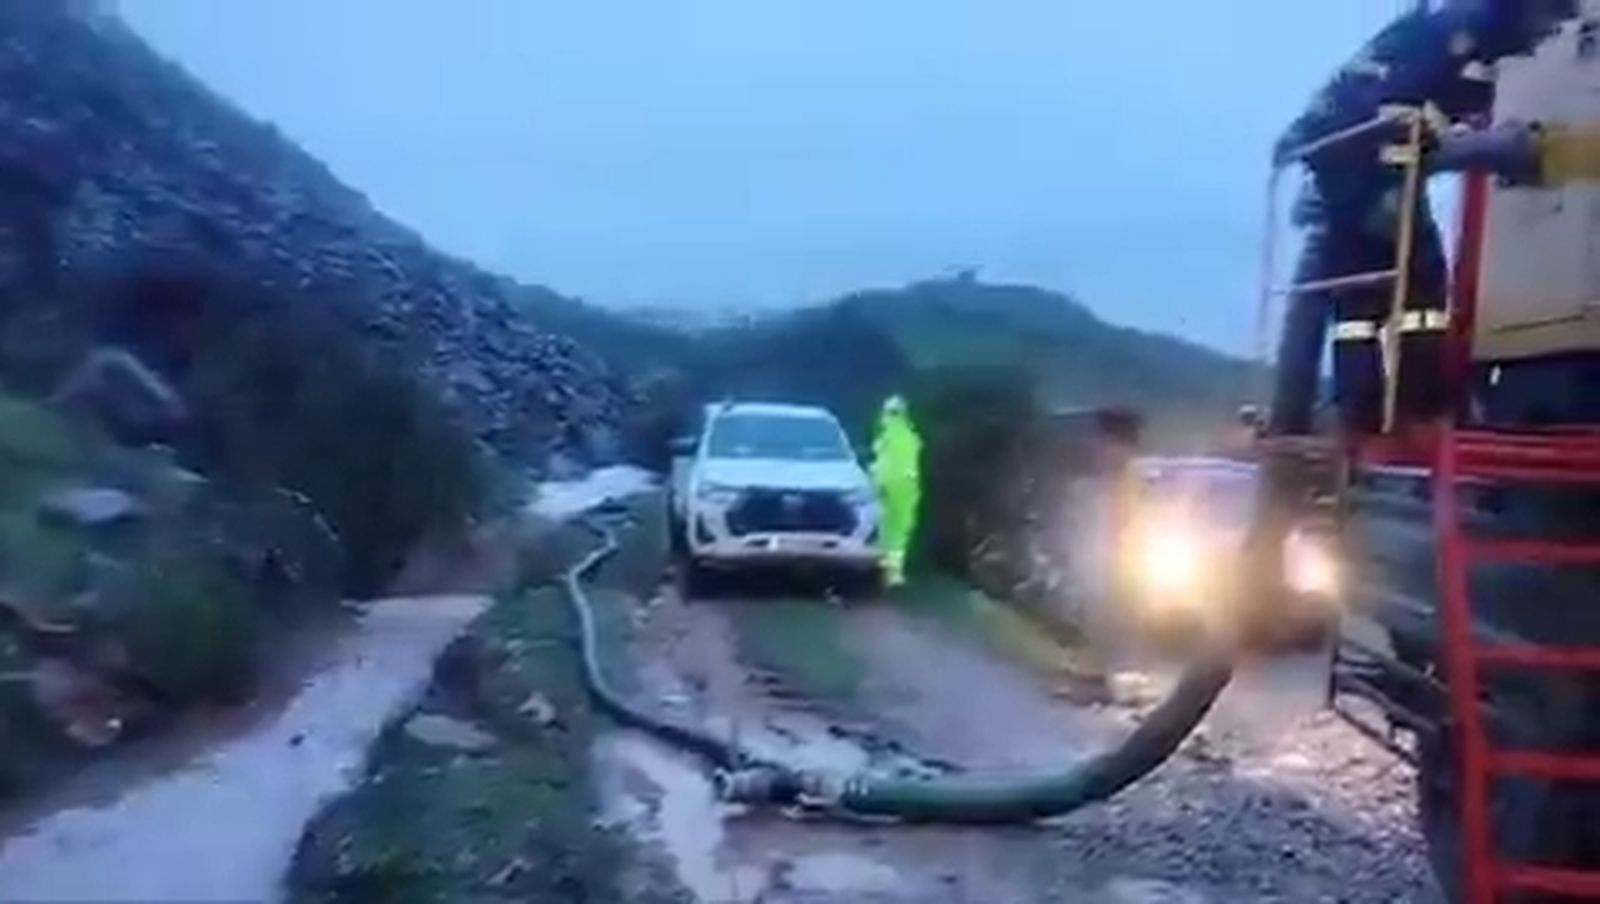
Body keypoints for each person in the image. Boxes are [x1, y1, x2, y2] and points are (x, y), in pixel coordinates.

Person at [871, 395, 922, 588]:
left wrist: (876, 485)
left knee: (887, 530)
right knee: (898, 532)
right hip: (905, 488)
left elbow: (881, 464)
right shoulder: (909, 435)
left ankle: (884, 571)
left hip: (890, 486)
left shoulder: (886, 435)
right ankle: (890, 573)